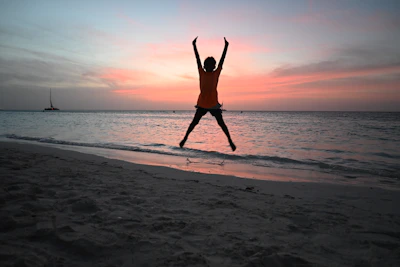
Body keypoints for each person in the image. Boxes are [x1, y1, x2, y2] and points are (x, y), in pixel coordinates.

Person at [179, 37, 236, 151]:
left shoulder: (216, 73)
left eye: (211, 65)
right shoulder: (201, 72)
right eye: (207, 65)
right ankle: (185, 138)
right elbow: (197, 58)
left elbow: (222, 59)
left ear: (214, 66)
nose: (209, 67)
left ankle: (230, 140)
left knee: (221, 123)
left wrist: (226, 47)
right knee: (194, 122)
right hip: (202, 103)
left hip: (213, 104)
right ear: (205, 66)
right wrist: (194, 45)